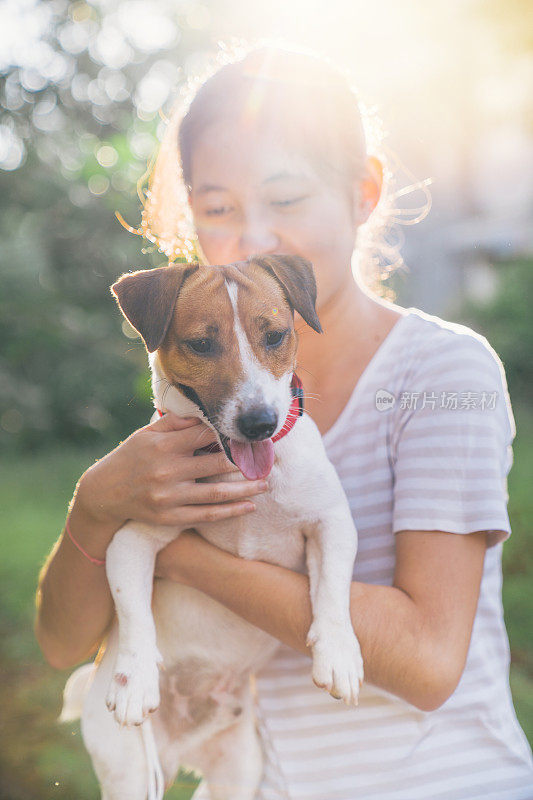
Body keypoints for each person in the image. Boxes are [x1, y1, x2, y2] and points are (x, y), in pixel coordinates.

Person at [35, 44, 533, 799]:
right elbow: (64, 642)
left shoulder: (442, 376)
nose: (251, 235)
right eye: (216, 208)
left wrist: (182, 556)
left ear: (362, 192)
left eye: (287, 198)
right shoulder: (192, 394)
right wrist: (99, 506)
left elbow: (429, 664)